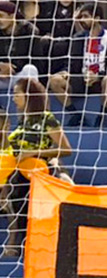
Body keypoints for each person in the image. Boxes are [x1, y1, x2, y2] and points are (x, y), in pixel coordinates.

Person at [4, 76, 71, 258]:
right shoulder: (21, 121)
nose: (13, 98)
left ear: (28, 96)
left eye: (16, 94)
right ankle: (17, 246)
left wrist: (35, 153)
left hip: (41, 173)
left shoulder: (46, 119)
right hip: (19, 174)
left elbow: (65, 149)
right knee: (15, 202)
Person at [46, 3, 107, 128]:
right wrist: (66, 72)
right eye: (81, 17)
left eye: (85, 16)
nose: (82, 20)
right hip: (82, 79)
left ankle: (101, 118)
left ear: (97, 18)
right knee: (55, 80)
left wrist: (98, 76)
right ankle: (74, 114)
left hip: (102, 80)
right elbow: (71, 63)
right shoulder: (78, 38)